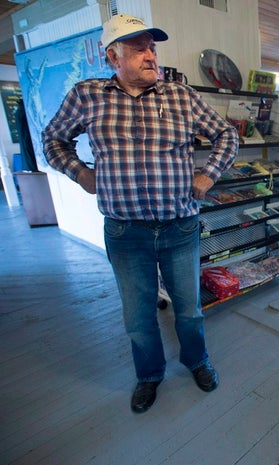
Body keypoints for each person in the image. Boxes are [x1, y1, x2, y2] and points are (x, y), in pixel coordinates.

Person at [42, 14, 238, 413]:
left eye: (152, 47)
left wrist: (207, 174)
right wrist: (80, 173)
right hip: (125, 231)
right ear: (112, 55)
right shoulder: (88, 95)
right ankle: (149, 376)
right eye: (139, 48)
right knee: (138, 315)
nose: (151, 55)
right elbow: (53, 139)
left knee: (188, 309)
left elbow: (227, 133)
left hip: (179, 225)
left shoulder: (179, 96)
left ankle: (197, 361)